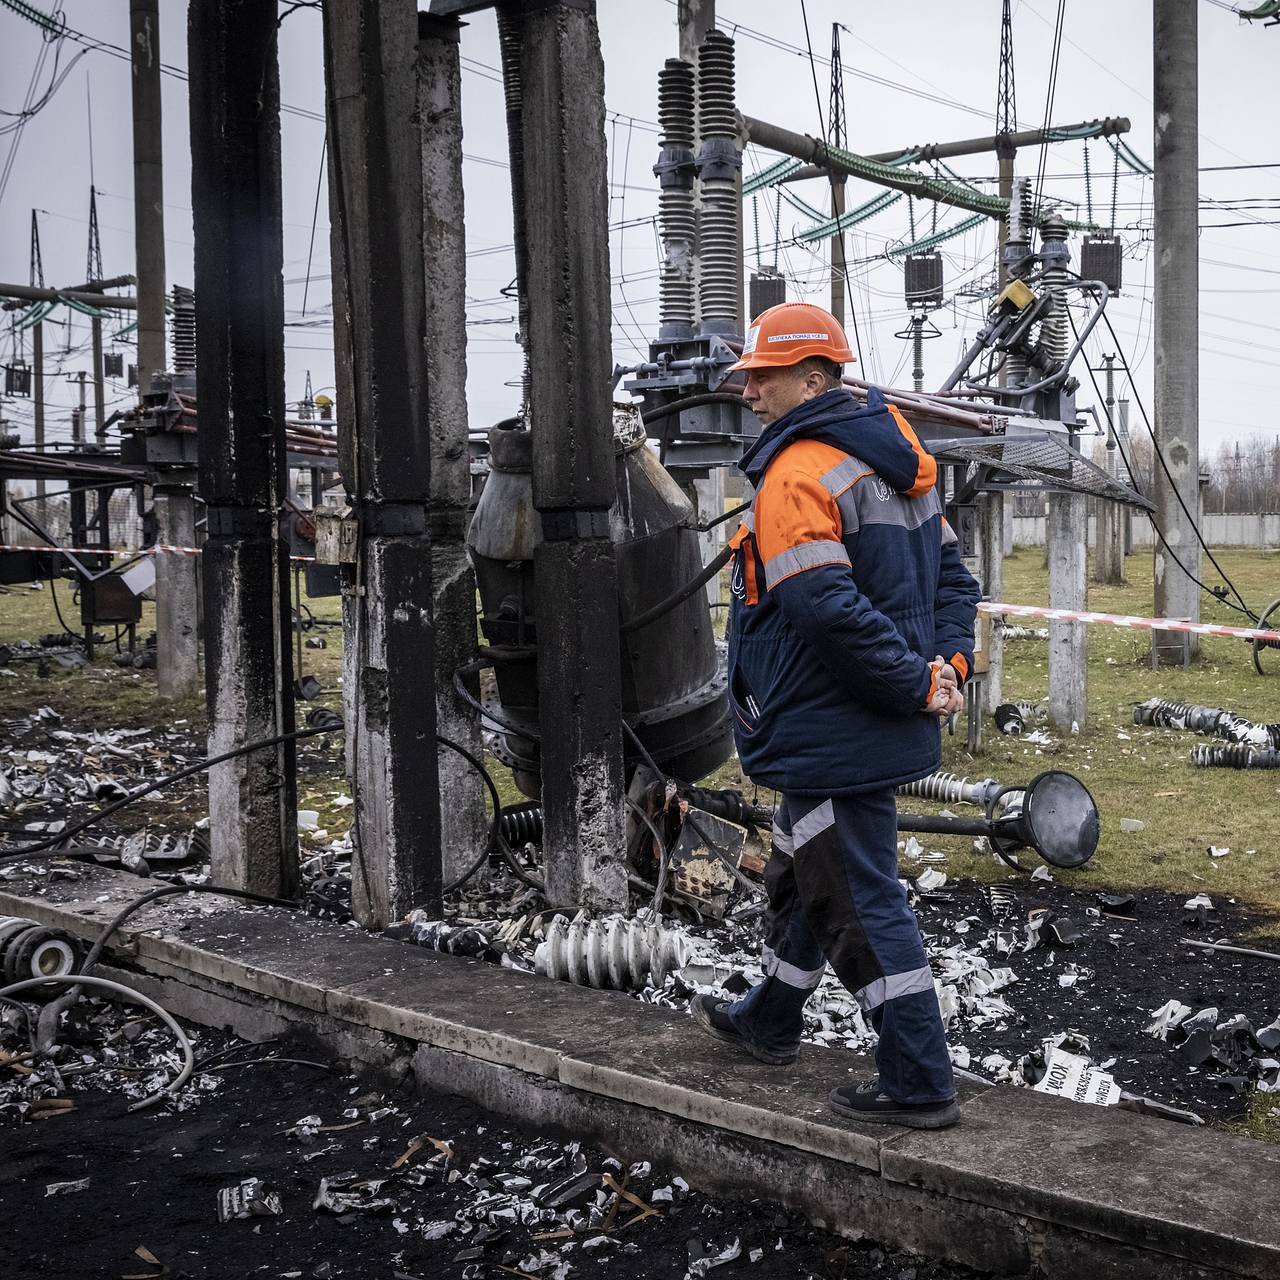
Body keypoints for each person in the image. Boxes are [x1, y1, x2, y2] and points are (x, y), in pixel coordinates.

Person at [690, 301, 979, 1130]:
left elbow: (825, 609)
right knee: (798, 872)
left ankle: (918, 1079)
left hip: (830, 726)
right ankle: (771, 1019)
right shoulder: (898, 466)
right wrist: (945, 668)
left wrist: (916, 683)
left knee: (853, 897)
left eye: (765, 377)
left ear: (814, 379)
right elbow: (954, 584)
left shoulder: (798, 475)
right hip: (854, 722)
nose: (750, 391)